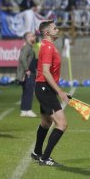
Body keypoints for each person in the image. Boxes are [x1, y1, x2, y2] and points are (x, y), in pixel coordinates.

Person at [31, 21, 70, 166]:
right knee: (62, 124)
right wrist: (60, 92)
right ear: (47, 32)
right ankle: (45, 157)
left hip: (45, 88)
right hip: (44, 88)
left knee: (46, 122)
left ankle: (37, 152)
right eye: (54, 28)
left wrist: (57, 89)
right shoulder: (47, 47)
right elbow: (46, 73)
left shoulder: (50, 46)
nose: (57, 29)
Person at [16, 32, 38, 117]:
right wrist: (27, 69)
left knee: (26, 91)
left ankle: (24, 110)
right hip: (28, 73)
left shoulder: (29, 47)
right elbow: (22, 58)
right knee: (29, 91)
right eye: (32, 36)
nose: (34, 37)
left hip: (29, 72)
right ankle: (28, 109)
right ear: (28, 38)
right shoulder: (27, 47)